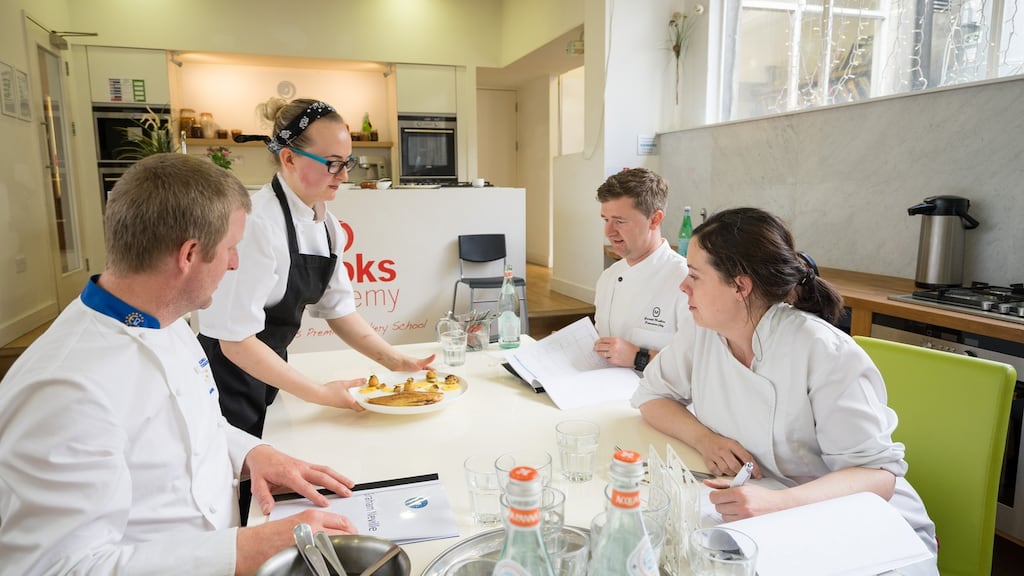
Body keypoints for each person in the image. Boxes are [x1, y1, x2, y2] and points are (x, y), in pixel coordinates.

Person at [0, 154, 358, 576]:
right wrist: (243, 550)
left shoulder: (163, 317)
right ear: (189, 254)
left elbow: (195, 424)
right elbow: (51, 568)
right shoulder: (63, 388)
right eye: (230, 249)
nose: (234, 263)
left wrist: (254, 453)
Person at [631, 207, 938, 571]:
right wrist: (704, 439)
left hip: (861, 529)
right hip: (766, 512)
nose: (683, 287)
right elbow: (651, 396)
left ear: (740, 286)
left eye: (695, 276)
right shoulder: (705, 332)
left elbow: (876, 477)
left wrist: (777, 505)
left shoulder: (823, 352)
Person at [197, 97, 433, 442]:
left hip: (269, 368)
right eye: (333, 163)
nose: (345, 175)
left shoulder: (327, 225)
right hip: (226, 379)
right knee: (237, 481)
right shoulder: (258, 224)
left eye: (347, 162)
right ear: (289, 158)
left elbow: (338, 310)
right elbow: (234, 342)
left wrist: (396, 361)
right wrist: (321, 394)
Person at [592, 168, 689, 372]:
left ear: (655, 219)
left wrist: (639, 357)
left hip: (660, 399)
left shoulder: (686, 282)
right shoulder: (608, 278)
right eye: (606, 220)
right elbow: (604, 346)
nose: (609, 232)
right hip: (602, 391)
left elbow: (700, 367)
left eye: (620, 221)